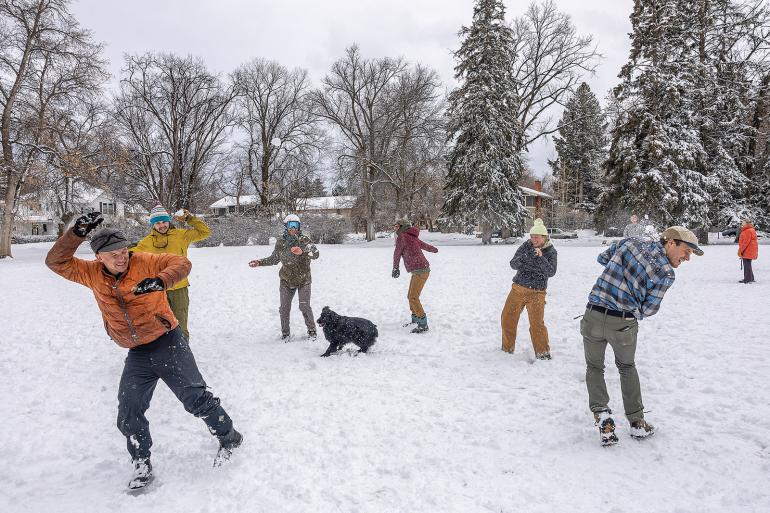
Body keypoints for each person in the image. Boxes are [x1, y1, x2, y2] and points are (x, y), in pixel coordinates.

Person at [45, 212, 241, 491]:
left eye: (124, 250)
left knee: (195, 398)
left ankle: (229, 436)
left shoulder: (143, 261)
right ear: (99, 257)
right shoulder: (89, 273)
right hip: (137, 351)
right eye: (113, 253)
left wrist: (162, 280)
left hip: (167, 341)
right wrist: (75, 234)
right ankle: (141, 460)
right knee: (129, 410)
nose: (121, 257)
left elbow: (181, 262)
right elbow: (56, 261)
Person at [581, 226, 702, 446]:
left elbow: (603, 258)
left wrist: (620, 273)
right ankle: (637, 423)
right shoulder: (665, 272)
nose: (688, 258)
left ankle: (603, 417)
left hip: (593, 315)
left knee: (594, 367)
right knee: (627, 368)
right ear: (671, 242)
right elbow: (648, 309)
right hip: (624, 324)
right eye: (687, 251)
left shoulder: (631, 242)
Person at [131, 204, 211, 340]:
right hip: (157, 289)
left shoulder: (181, 235)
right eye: (157, 223)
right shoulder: (147, 242)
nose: (161, 225)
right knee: (160, 323)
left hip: (179, 287)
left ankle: (183, 350)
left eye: (164, 222)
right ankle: (163, 353)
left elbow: (205, 232)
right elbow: (129, 256)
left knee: (180, 321)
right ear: (153, 225)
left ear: (168, 221)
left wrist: (189, 218)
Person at [249, 214, 319, 340]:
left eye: (296, 225)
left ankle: (312, 331)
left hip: (304, 280)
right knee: (284, 309)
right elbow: (274, 259)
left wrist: (303, 252)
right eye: (291, 226)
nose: (293, 228)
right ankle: (285, 334)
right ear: (286, 227)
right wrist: (259, 262)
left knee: (304, 306)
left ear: (299, 226)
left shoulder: (304, 240)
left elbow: (315, 253)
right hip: (286, 280)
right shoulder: (281, 242)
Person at [500, 219, 558, 359]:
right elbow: (513, 264)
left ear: (544, 237)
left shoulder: (551, 252)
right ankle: (507, 349)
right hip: (518, 289)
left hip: (537, 293)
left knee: (537, 324)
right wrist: (527, 257)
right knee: (507, 318)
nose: (533, 239)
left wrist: (540, 258)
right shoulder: (526, 247)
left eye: (537, 237)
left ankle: (542, 353)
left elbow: (550, 272)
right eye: (532, 236)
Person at [392, 219, 438, 333]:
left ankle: (423, 324)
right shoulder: (411, 236)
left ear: (402, 226)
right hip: (421, 270)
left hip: (420, 271)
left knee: (413, 297)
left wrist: (395, 268)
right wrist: (434, 249)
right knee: (410, 296)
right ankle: (416, 318)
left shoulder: (402, 236)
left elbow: (397, 253)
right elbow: (424, 245)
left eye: (396, 226)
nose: (394, 228)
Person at [737, 218, 758, 284]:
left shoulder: (747, 231)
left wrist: (740, 250)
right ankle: (750, 278)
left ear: (747, 223)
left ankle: (747, 279)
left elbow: (745, 242)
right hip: (750, 250)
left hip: (747, 250)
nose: (742, 223)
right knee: (748, 264)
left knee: (746, 265)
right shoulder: (751, 229)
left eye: (743, 222)